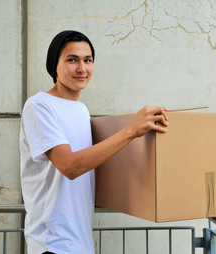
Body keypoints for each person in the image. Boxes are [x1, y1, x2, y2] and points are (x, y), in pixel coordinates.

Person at [20, 30, 169, 254]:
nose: (82, 68)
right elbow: (70, 166)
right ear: (55, 66)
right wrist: (131, 130)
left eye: (87, 60)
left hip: (81, 244)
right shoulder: (39, 106)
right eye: (72, 60)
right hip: (51, 245)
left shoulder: (82, 111)